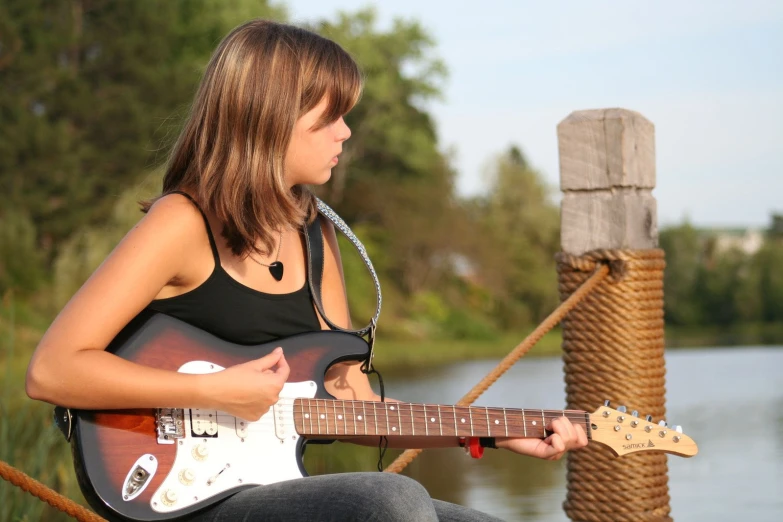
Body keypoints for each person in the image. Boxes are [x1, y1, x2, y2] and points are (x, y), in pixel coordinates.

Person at [25, 19, 587, 522]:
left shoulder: (317, 235)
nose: (345, 132)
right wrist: (220, 393)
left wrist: (495, 431)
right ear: (269, 117)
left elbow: (353, 406)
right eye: (330, 117)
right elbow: (52, 371)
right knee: (395, 502)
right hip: (179, 496)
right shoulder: (183, 222)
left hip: (274, 491)